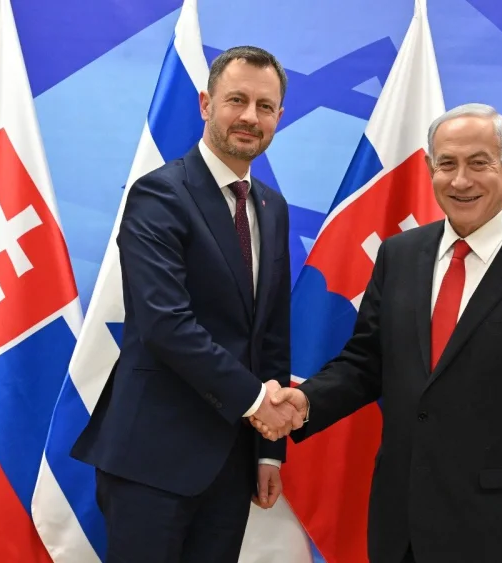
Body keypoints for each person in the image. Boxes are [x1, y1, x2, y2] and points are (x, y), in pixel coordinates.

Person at [254, 103, 502, 563]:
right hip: (401, 522)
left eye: (479, 163)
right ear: (428, 168)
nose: (461, 181)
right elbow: (366, 363)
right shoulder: (400, 255)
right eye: (448, 164)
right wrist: (307, 402)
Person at [71, 46, 301, 563]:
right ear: (205, 104)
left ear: (279, 117)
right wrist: (257, 402)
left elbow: (271, 333)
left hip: (232, 460)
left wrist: (269, 451)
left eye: (265, 106)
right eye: (236, 100)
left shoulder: (272, 206)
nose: (249, 117)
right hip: (152, 460)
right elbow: (164, 323)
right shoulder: (159, 194)